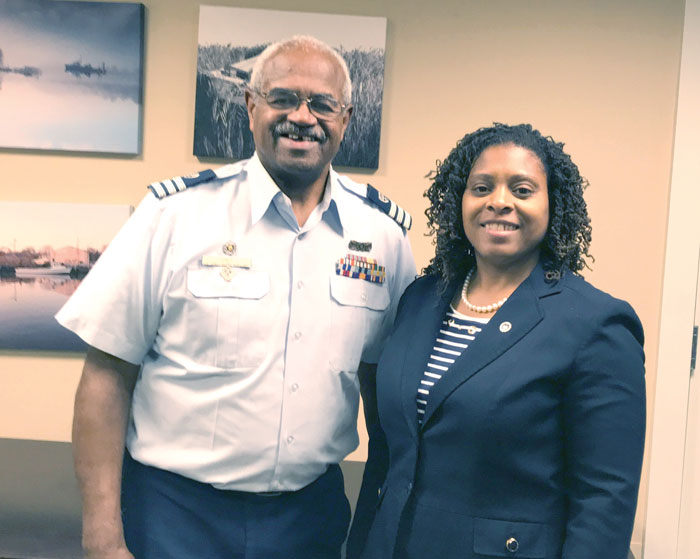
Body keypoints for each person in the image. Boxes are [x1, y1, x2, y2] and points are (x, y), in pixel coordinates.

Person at [57, 35, 415, 559]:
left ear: (346, 117)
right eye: (283, 98)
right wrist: (103, 538)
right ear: (251, 106)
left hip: (309, 516)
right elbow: (107, 375)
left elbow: (387, 386)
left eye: (322, 104)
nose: (302, 116)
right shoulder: (174, 215)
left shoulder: (383, 236)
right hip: (174, 513)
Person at [346, 123, 646, 559]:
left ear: (552, 204)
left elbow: (604, 499)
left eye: (522, 190)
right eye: (481, 187)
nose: (499, 202)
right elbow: (388, 453)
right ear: (459, 202)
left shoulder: (595, 324)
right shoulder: (420, 299)